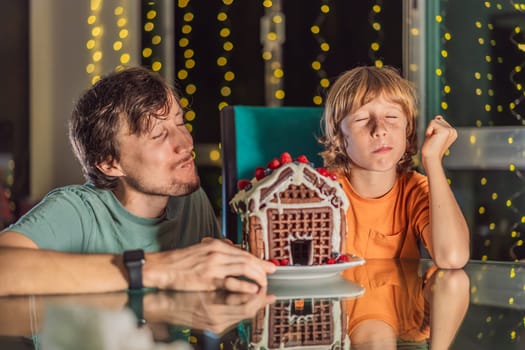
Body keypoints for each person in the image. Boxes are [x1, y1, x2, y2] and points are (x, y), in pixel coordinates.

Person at [0, 66, 275, 296]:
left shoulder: (190, 200)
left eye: (180, 123)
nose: (186, 143)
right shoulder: (77, 210)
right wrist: (155, 269)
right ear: (110, 163)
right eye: (158, 135)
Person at [320, 65, 470, 268]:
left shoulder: (415, 190)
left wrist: (433, 160)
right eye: (362, 119)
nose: (380, 130)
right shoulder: (322, 193)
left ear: (407, 131)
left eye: (391, 117)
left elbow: (452, 258)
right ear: (338, 137)